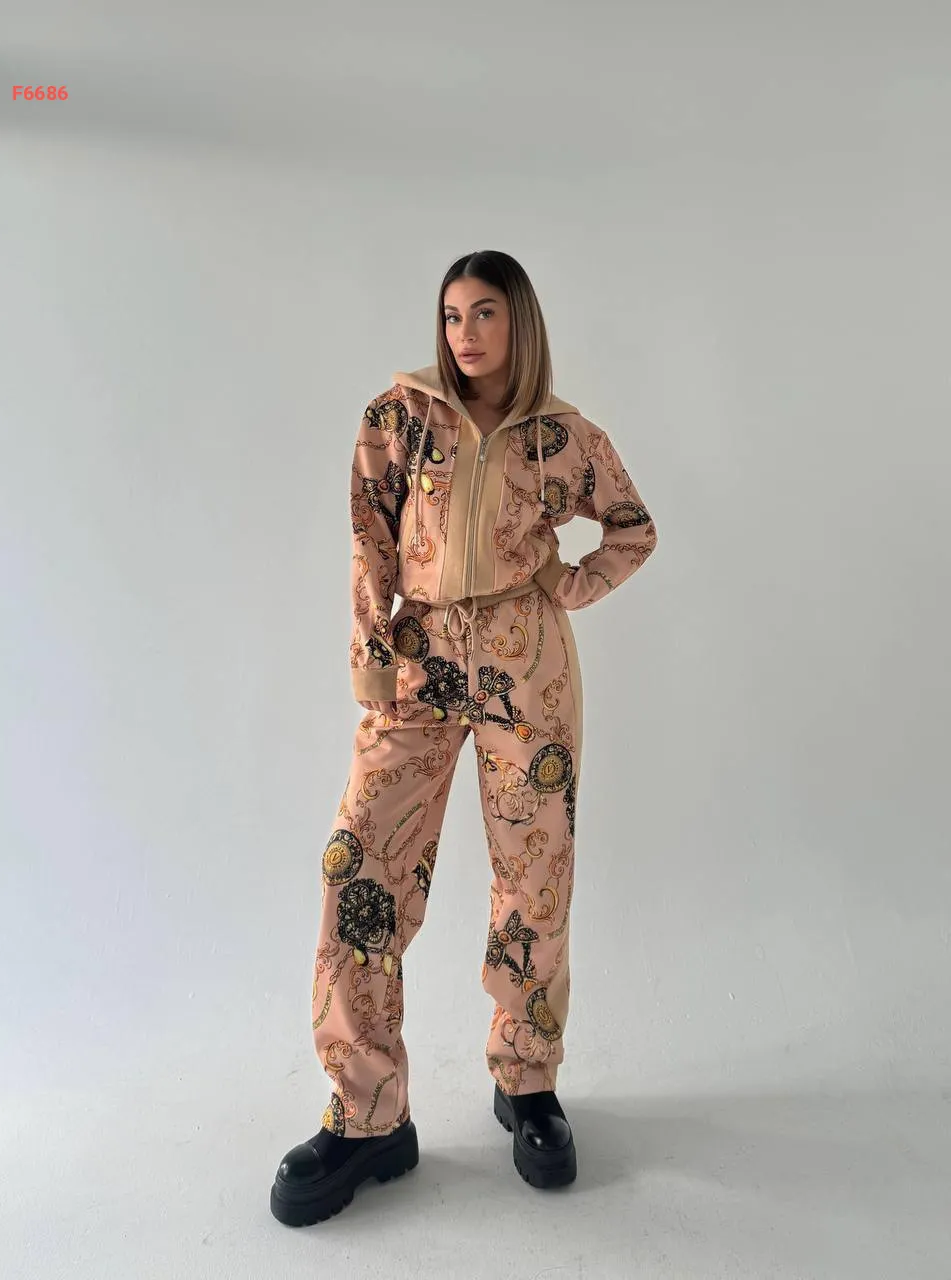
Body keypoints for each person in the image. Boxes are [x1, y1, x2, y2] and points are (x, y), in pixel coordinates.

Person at [270, 249, 658, 1226]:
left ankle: (526, 1081)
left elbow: (630, 527)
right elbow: (368, 534)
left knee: (534, 873)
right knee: (359, 865)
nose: (464, 334)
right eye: (451, 315)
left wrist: (567, 584)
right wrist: (369, 651)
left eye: (484, 313)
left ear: (519, 321)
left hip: (529, 666)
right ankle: (367, 1114)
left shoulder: (564, 436)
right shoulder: (400, 416)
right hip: (420, 660)